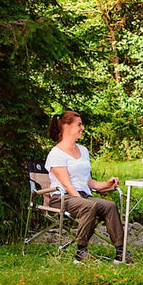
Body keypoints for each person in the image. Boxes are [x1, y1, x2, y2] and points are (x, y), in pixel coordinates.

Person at [45, 110, 131, 264]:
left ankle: (121, 252)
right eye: (79, 125)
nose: (82, 128)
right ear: (66, 127)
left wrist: (108, 184)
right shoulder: (56, 153)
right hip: (62, 198)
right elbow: (67, 185)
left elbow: (90, 183)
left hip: (83, 197)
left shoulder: (83, 151)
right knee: (90, 206)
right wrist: (87, 203)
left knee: (110, 206)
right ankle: (81, 251)